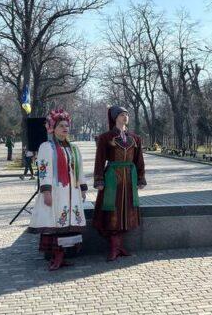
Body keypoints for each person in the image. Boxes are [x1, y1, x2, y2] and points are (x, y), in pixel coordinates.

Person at [27, 108, 87, 271]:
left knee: (68, 225)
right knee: (54, 223)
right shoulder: (47, 147)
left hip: (72, 193)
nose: (65, 129)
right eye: (61, 126)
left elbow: (79, 169)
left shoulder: (73, 148)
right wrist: (46, 191)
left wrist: (82, 188)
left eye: (67, 126)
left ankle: (63, 255)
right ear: (53, 128)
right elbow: (44, 170)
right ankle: (56, 256)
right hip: (56, 192)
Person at [93, 105, 147, 262]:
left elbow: (139, 160)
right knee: (112, 211)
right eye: (122, 115)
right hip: (112, 180)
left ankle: (120, 246)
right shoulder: (105, 138)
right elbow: (100, 160)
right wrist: (99, 180)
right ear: (115, 117)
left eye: (127, 115)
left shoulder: (135, 138)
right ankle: (114, 248)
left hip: (129, 179)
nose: (125, 117)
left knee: (126, 212)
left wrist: (141, 178)